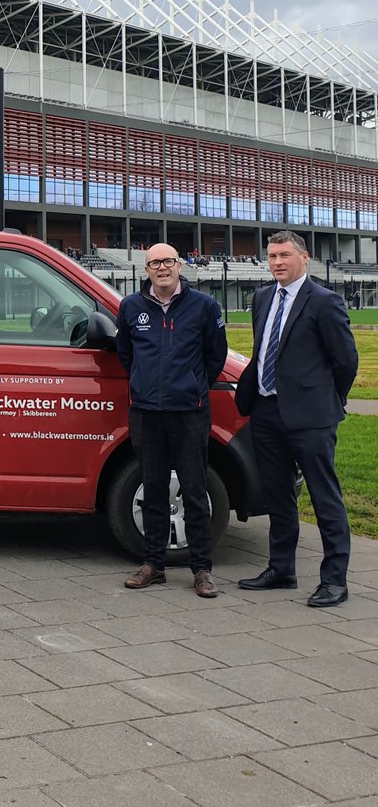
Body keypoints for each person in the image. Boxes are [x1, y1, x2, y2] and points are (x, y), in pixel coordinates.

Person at [235, 231, 358, 607]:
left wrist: (327, 400)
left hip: (312, 418)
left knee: (324, 498)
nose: (277, 263)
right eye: (271, 256)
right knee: (278, 495)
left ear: (304, 257)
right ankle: (281, 569)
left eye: (284, 255)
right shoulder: (261, 298)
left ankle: (335, 580)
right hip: (267, 411)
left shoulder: (324, 301)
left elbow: (346, 361)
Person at [116, 243, 227, 598]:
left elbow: (216, 355)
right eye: (154, 263)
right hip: (147, 414)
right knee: (153, 490)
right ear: (146, 269)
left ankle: (201, 569)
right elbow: (126, 356)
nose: (161, 268)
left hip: (189, 413)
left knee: (195, 491)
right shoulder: (131, 307)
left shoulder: (204, 307)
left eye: (167, 261)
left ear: (179, 265)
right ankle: (153, 564)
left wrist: (192, 387)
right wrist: (145, 386)